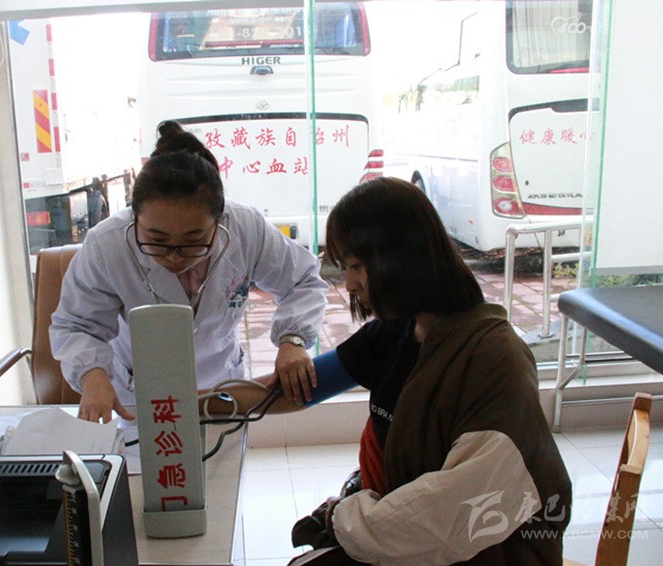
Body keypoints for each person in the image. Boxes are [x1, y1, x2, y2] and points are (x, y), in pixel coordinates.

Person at [209, 177, 572, 565]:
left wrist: (344, 516)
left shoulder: (494, 358)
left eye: (356, 266)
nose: (349, 284)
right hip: (407, 535)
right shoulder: (400, 329)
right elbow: (296, 389)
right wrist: (196, 405)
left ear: (401, 257)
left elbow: (453, 516)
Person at [49, 120, 328, 432]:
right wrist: (93, 375)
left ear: (221, 221)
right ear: (134, 218)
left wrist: (293, 340)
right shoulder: (107, 244)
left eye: (194, 241)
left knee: (220, 459)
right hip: (137, 391)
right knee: (149, 459)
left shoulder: (246, 227)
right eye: (156, 240)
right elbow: (76, 324)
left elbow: (303, 280)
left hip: (222, 386)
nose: (174, 256)